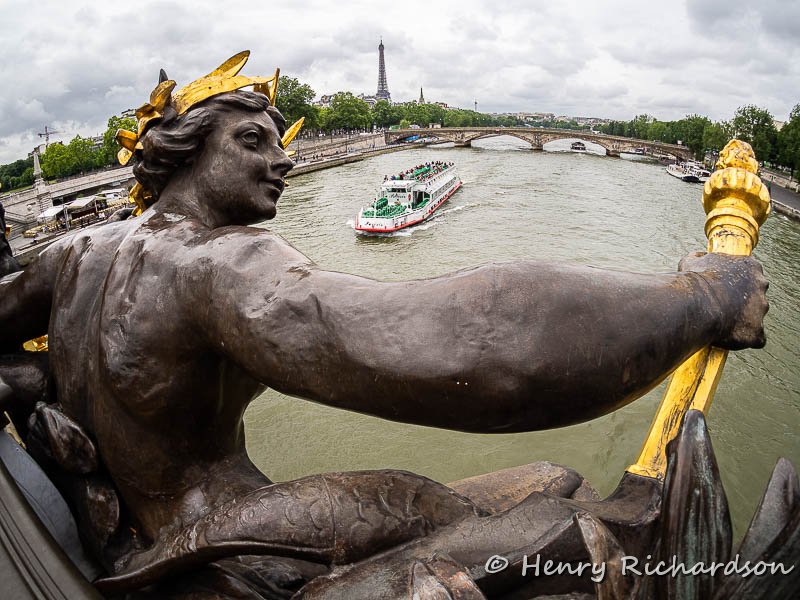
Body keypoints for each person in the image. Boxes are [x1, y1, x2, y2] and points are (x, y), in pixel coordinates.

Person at [0, 69, 768, 595]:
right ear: (183, 151)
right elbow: (480, 346)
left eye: (281, 140)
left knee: (552, 478)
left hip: (119, 543)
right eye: (254, 140)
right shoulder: (218, 263)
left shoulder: (74, 252)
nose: (285, 159)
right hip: (223, 567)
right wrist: (707, 295)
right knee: (564, 518)